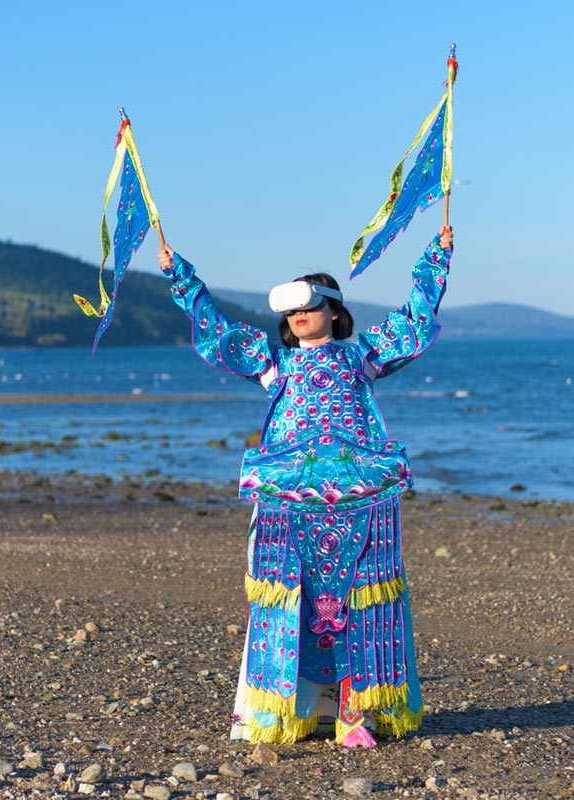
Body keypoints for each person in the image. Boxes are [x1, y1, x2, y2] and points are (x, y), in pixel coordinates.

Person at [157, 225, 454, 747]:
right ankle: (278, 713)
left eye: (310, 305)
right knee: (290, 598)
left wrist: (435, 258)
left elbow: (415, 319)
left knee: (360, 600)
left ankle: (355, 713)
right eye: (292, 309)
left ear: (334, 311)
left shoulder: (363, 355)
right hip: (288, 500)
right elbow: (216, 330)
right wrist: (180, 277)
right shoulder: (275, 362)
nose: (298, 316)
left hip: (358, 498)